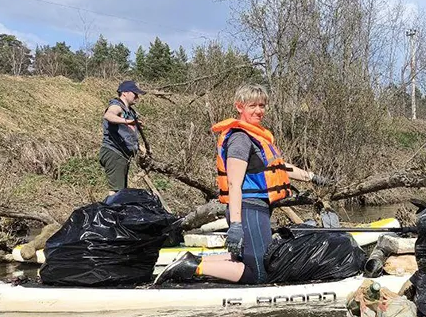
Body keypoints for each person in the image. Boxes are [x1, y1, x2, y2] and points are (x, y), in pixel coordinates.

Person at [156, 84, 328, 285]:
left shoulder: (257, 136)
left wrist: (312, 177)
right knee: (259, 273)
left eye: (262, 105)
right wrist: (236, 226)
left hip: (257, 209)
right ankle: (193, 268)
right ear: (239, 106)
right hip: (248, 209)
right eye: (252, 105)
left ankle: (191, 261)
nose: (259, 111)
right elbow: (234, 183)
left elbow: (279, 167)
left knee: (242, 259)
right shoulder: (240, 138)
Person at [99, 80, 145, 195]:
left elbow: (126, 134)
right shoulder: (116, 106)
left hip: (122, 155)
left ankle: (114, 211)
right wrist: (127, 122)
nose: (137, 97)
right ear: (124, 93)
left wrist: (139, 146)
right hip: (114, 153)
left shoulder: (129, 111)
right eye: (135, 94)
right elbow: (109, 115)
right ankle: (110, 212)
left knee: (121, 191)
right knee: (115, 192)